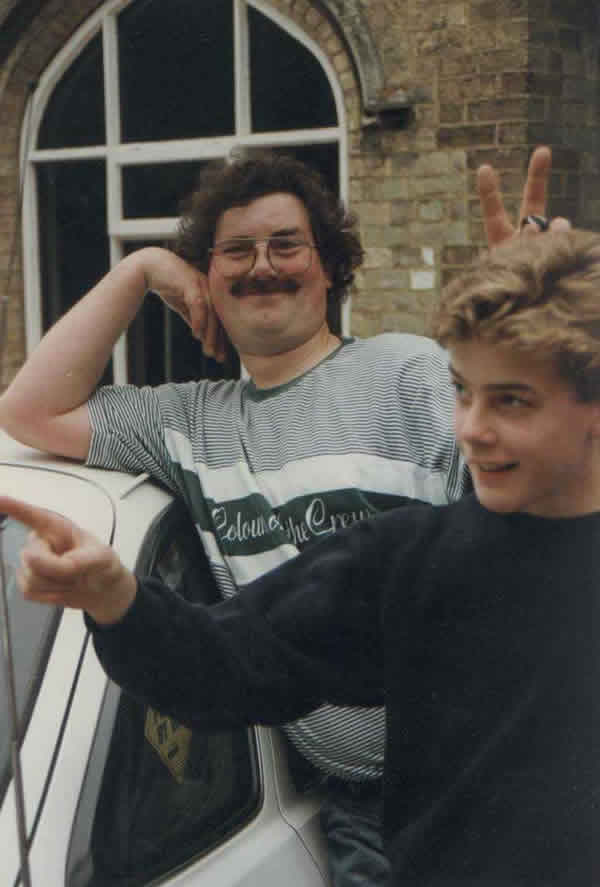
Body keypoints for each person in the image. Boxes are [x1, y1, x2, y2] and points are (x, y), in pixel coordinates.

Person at [0, 146, 565, 886]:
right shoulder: (188, 423)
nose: (262, 265)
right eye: (235, 251)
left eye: (286, 245)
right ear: (207, 280)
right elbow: (29, 410)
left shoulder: (411, 373)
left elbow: (543, 497)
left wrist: (532, 342)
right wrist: (139, 270)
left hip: (484, 778)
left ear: (329, 267)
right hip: (356, 814)